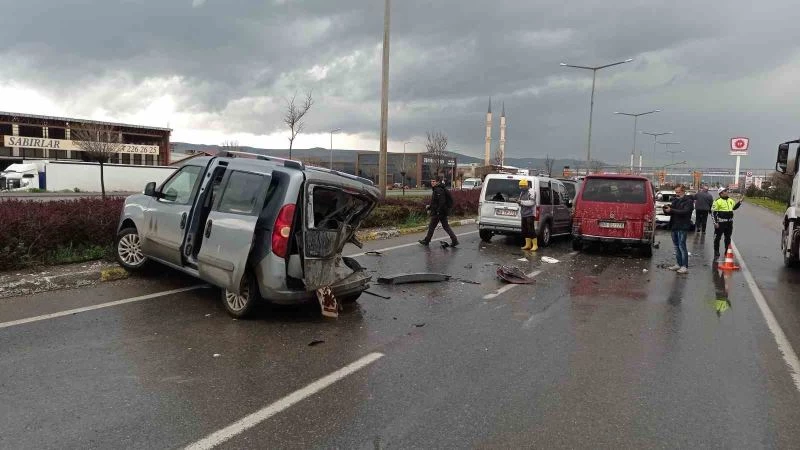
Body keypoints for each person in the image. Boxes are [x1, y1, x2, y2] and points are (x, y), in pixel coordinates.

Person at [418, 177, 459, 247]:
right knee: (445, 226)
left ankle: (427, 241)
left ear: (437, 182)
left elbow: (441, 202)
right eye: (431, 181)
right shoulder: (437, 189)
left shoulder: (438, 190)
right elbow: (435, 202)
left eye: (434, 181)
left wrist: (438, 211)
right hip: (441, 211)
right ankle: (454, 240)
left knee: (432, 226)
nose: (432, 183)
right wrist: (430, 207)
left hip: (439, 212)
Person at [663, 184, 694, 274]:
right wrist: (666, 210)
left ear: (683, 191)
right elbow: (671, 213)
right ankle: (678, 264)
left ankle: (684, 266)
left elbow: (685, 212)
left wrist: (671, 210)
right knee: (676, 246)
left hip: (682, 226)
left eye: (678, 192)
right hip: (674, 225)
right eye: (676, 192)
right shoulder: (675, 200)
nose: (677, 194)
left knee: (682, 246)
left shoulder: (688, 201)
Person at [711, 188, 743, 258]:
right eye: (725, 191)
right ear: (721, 193)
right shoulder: (717, 201)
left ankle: (727, 251)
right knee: (717, 238)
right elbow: (713, 213)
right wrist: (715, 223)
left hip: (729, 223)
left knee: (728, 238)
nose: (726, 192)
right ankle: (716, 251)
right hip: (720, 223)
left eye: (726, 191)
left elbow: (734, 208)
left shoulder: (730, 200)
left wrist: (739, 202)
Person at [518, 179, 538, 251]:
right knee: (525, 230)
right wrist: (519, 202)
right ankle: (528, 244)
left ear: (526, 185)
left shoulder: (531, 192)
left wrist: (521, 202)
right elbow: (521, 202)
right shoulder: (522, 192)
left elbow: (532, 203)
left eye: (522, 186)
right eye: (520, 186)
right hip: (523, 213)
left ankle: (535, 245)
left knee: (531, 229)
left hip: (530, 214)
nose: (521, 188)